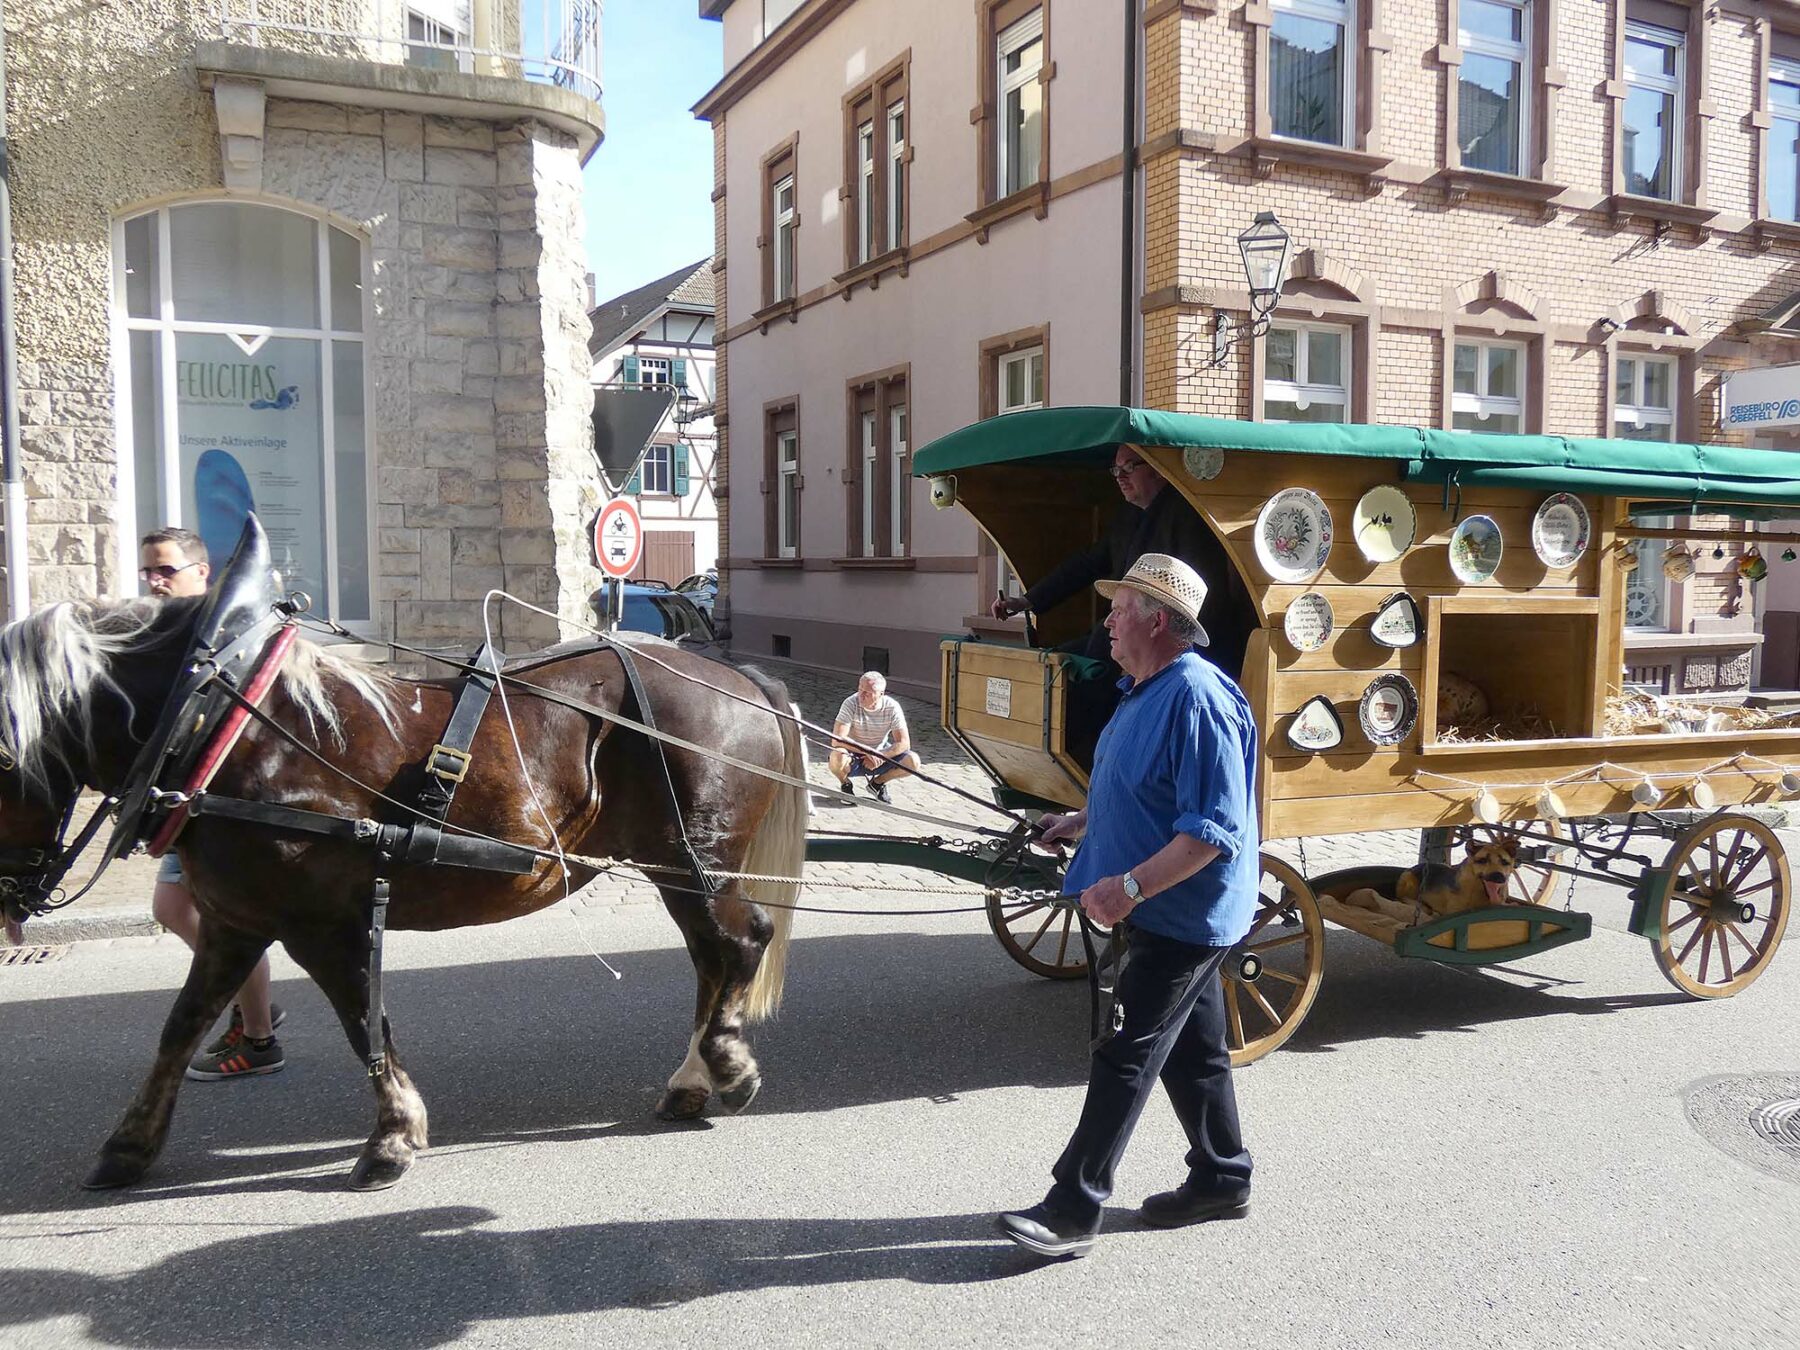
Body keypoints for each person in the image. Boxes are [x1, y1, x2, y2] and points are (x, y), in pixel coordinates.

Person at [995, 553, 1258, 1260]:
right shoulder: (1144, 689)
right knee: (1194, 1055)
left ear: (1159, 621)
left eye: (1119, 609)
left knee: (1127, 1051)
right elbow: (1139, 786)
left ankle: (1073, 1207)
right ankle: (1223, 1178)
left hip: (1185, 914)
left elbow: (1213, 832)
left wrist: (1128, 888)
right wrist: (1079, 822)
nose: (1107, 620)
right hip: (1166, 908)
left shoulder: (1197, 697)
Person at [139, 527, 287, 1081]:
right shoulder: (169, 628)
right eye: (149, 571)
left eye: (165, 570)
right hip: (184, 800)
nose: (155, 581)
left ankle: (259, 1038)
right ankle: (251, 1000)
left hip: (217, 801)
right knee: (174, 910)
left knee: (222, 924)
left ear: (201, 572)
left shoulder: (221, 631)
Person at [989, 445, 1253, 681]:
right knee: (1051, 665)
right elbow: (1087, 563)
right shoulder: (1127, 516)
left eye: (1128, 468)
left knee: (1077, 678)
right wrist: (1027, 600)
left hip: (1163, 647)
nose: (1120, 477)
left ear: (1158, 470)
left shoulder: (1187, 517)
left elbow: (1203, 600)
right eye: (1116, 470)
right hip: (1123, 634)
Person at [828, 671, 921, 805]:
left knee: (913, 762)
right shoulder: (850, 703)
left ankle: (877, 784)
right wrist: (867, 752)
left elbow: (904, 742)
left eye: (867, 693)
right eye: (860, 689)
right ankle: (845, 784)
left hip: (881, 753)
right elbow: (837, 739)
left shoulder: (892, 707)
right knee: (837, 756)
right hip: (854, 754)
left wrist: (881, 755)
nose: (861, 695)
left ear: (880, 694)